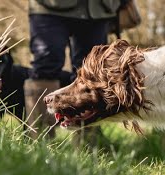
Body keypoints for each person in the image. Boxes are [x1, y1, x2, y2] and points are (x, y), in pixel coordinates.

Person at [24, 0, 121, 141]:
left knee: (92, 73)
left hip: (97, 9)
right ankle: (38, 142)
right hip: (48, 7)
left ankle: (88, 146)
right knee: (45, 66)